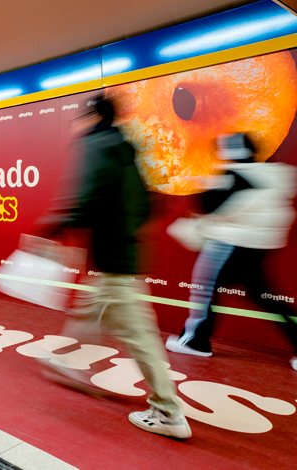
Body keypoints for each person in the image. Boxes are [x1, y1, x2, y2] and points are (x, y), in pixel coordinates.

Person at [36, 95, 191, 439]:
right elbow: (151, 203)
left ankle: (168, 411)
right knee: (90, 309)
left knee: (139, 336)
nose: (77, 125)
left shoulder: (97, 146)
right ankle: (65, 362)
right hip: (124, 253)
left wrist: (50, 229)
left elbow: (86, 196)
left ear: (92, 117)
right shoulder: (127, 149)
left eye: (80, 118)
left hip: (116, 258)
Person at [166, 133, 297, 370]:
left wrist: (203, 184)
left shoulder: (234, 175)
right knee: (266, 298)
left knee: (205, 291)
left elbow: (207, 206)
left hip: (228, 243)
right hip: (260, 246)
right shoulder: (272, 175)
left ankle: (195, 341)